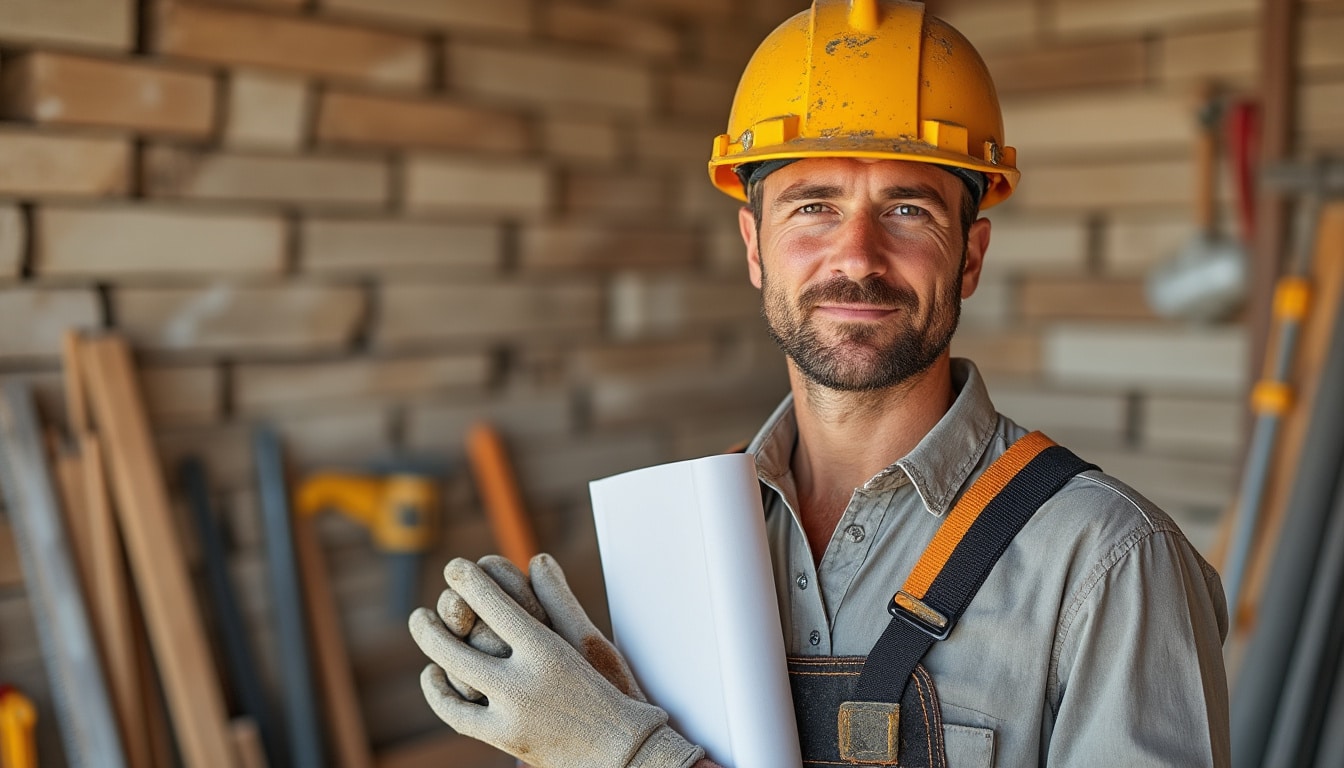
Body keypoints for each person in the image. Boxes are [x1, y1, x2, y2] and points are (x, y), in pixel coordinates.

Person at [409, 1, 1231, 766]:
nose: (857, 257)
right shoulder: (693, 535)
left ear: (970, 256)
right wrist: (594, 713)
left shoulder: (1109, 563)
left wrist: (629, 755)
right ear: (754, 246)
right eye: (813, 207)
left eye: (908, 209)